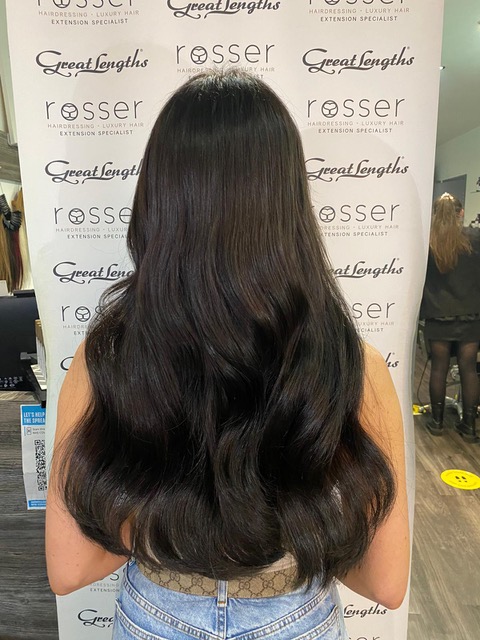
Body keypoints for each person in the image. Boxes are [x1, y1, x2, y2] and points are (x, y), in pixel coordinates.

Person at [45, 70, 409, 640]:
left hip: (156, 618)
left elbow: (69, 570)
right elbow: (385, 584)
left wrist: (175, 522)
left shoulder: (106, 362)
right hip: (297, 620)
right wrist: (286, 527)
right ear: (288, 206)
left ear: (160, 201)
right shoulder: (352, 368)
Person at [420, 193, 480, 443]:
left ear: (435, 214)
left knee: (439, 368)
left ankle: (436, 423)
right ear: (461, 213)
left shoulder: (428, 241)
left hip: (437, 315)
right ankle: (469, 427)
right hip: (471, 316)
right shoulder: (476, 238)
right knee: (468, 369)